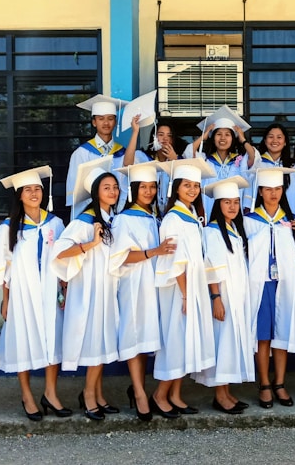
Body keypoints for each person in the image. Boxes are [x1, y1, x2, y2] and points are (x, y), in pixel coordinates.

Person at [0, 166, 71, 421]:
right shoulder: (8, 228)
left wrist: (64, 290)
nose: (34, 193)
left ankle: (50, 393)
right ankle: (27, 395)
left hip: (50, 292)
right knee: (22, 341)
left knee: (52, 340)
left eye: (37, 189)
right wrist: (6, 300)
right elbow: (5, 268)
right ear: (19, 196)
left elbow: (63, 259)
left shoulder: (56, 223)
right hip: (22, 294)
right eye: (28, 190)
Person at [52, 157, 121, 421]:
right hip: (89, 290)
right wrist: (90, 244)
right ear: (95, 193)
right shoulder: (85, 220)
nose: (113, 191)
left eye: (115, 187)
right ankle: (89, 395)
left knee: (102, 342)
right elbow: (59, 253)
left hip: (106, 288)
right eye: (106, 188)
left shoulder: (111, 217)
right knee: (93, 344)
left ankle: (99, 394)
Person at [108, 161, 175, 421]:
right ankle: (138, 392)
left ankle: (146, 389)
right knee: (135, 337)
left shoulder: (155, 216)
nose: (147, 191)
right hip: (135, 284)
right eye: (142, 187)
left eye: (151, 187)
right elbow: (120, 257)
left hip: (155, 286)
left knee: (150, 337)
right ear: (133, 189)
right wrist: (153, 252)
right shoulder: (124, 219)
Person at [151, 158, 217, 418]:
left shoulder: (191, 216)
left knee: (186, 340)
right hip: (180, 289)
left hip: (193, 287)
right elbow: (173, 260)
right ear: (176, 187)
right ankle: (159, 394)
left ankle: (176, 395)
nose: (192, 190)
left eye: (196, 186)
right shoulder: (172, 218)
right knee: (176, 340)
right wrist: (186, 294)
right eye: (186, 185)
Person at [245, 166, 295, 409]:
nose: (273, 193)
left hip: (284, 284)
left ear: (283, 191)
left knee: (281, 336)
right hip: (260, 285)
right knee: (263, 337)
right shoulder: (250, 221)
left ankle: (280, 383)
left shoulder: (291, 222)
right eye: (268, 189)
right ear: (260, 191)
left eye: (278, 189)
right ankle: (264, 384)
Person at [193, 176, 256, 414]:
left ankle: (227, 391)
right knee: (223, 343)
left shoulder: (234, 229)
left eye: (235, 202)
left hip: (237, 294)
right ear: (217, 205)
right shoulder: (212, 231)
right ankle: (220, 395)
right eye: (226, 202)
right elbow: (211, 266)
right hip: (224, 296)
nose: (232, 206)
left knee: (231, 342)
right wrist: (216, 298)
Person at [183, 105, 258, 213]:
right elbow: (189, 154)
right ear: (213, 138)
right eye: (218, 134)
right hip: (209, 211)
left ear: (233, 138)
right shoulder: (205, 161)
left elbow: (254, 157)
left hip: (232, 212)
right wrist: (203, 136)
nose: (223, 138)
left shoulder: (240, 161)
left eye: (227, 135)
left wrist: (242, 139)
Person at [66, 94, 129, 207]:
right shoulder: (81, 153)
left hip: (118, 213)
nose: (106, 123)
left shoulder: (123, 154)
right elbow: (75, 192)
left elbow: (125, 186)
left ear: (115, 122)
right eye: (101, 119)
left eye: (110, 119)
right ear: (94, 122)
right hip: (90, 213)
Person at [129, 123, 178, 212]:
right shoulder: (144, 158)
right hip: (147, 210)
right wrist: (135, 132)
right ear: (154, 137)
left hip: (170, 212)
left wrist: (175, 162)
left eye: (169, 135)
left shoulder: (180, 161)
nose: (165, 138)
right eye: (161, 134)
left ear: (172, 140)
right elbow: (127, 163)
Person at [252, 123, 295, 207]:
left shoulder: (294, 166)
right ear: (265, 140)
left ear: (285, 142)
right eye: (271, 137)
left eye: (279, 137)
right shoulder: (257, 163)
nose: (275, 140)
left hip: (289, 214)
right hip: (262, 213)